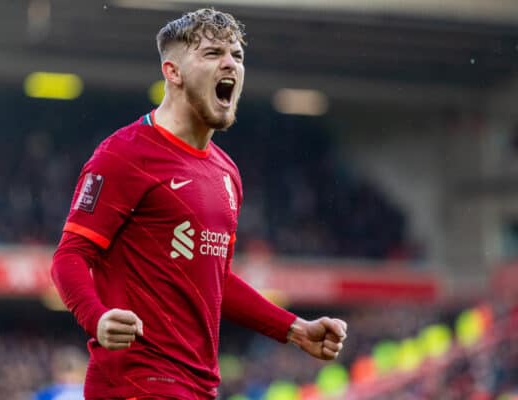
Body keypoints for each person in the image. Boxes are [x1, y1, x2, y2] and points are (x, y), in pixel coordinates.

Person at [51, 8, 347, 400]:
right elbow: (69, 256)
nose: (230, 63)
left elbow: (216, 279)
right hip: (136, 383)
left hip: (198, 387)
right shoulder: (125, 154)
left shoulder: (227, 173)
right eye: (212, 54)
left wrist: (293, 328)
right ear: (173, 72)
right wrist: (97, 317)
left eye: (237, 56)